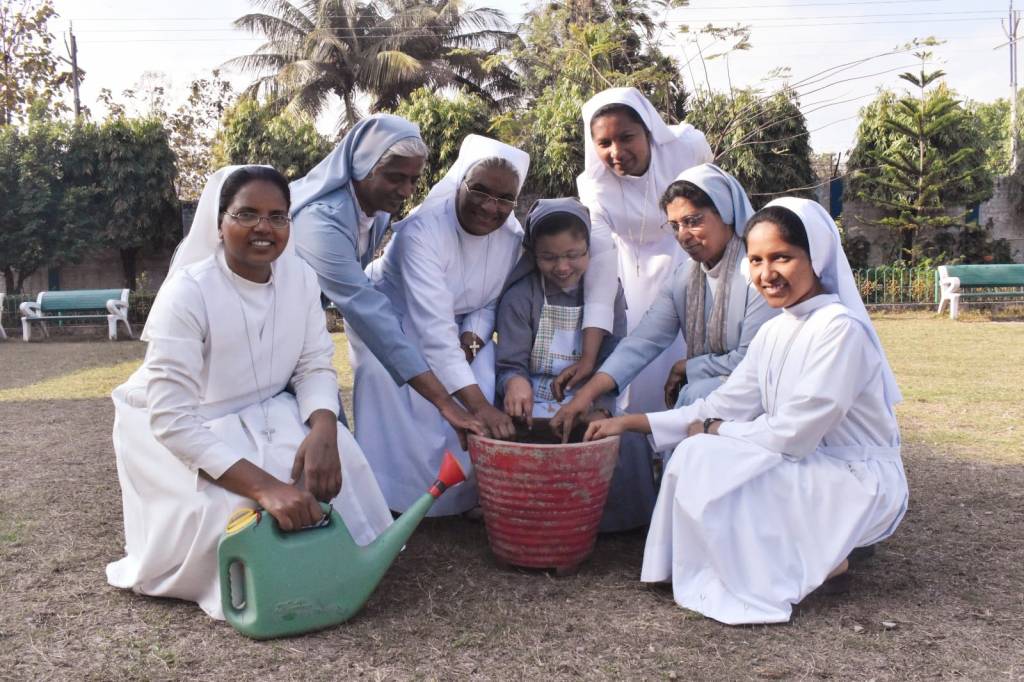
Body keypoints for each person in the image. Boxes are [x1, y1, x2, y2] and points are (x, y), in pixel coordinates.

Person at [584, 197, 909, 625]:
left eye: (782, 257)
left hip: (854, 475)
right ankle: (695, 567)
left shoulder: (840, 330)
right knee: (696, 451)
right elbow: (721, 405)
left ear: (816, 258)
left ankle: (832, 557)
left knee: (715, 452)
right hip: (801, 458)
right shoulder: (776, 330)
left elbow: (794, 434)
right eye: (756, 260)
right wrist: (629, 423)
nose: (766, 274)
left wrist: (717, 430)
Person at [107, 166, 394, 620]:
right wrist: (266, 488)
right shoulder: (187, 293)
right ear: (219, 224)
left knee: (337, 459)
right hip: (189, 429)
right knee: (245, 507)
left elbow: (313, 364)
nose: (264, 227)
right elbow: (171, 419)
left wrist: (324, 428)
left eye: (278, 216)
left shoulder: (300, 277)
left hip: (266, 411)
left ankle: (333, 563)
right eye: (247, 214)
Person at [348, 135, 529, 516]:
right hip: (393, 320)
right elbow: (433, 330)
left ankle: (464, 494)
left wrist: (473, 338)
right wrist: (480, 408)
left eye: (504, 199)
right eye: (480, 190)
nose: (490, 207)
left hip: (460, 330)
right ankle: (391, 497)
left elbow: (489, 301)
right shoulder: (421, 231)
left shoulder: (512, 239)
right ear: (460, 183)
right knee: (390, 382)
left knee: (484, 371)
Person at [289, 113, 482, 444]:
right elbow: (367, 309)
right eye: (395, 178)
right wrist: (445, 403)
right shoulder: (320, 221)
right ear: (363, 165)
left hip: (305, 342)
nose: (406, 191)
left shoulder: (376, 212)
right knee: (320, 444)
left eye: (414, 180)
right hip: (273, 339)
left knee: (336, 447)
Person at [552, 164, 777, 438]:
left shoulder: (760, 275)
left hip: (758, 403)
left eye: (693, 221)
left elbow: (752, 360)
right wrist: (584, 396)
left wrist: (689, 367)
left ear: (726, 212)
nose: (683, 235)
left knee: (697, 392)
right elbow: (641, 342)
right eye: (675, 226)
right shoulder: (685, 278)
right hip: (705, 399)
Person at [495, 198, 656, 531]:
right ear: (533, 255)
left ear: (589, 250)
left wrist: (601, 408)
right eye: (549, 257)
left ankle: (609, 524)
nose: (562, 267)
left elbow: (613, 358)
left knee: (626, 441)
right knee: (515, 439)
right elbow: (510, 362)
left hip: (589, 395)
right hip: (535, 400)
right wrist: (513, 381)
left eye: (573, 255)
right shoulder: (520, 296)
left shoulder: (608, 293)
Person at [576, 87, 714, 415]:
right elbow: (601, 270)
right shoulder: (594, 187)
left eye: (627, 137)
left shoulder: (687, 147)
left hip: (689, 255)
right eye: (604, 143)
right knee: (637, 349)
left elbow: (715, 194)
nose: (617, 152)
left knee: (689, 344)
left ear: (648, 131)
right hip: (630, 269)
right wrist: (589, 356)